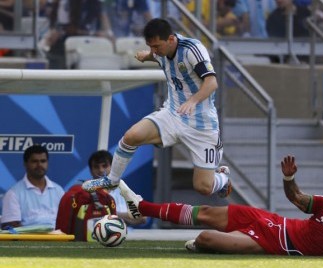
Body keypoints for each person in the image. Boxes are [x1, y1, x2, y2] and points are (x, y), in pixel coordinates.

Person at [117, 155, 323, 257]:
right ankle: (141, 207)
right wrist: (290, 179)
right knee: (208, 213)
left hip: (274, 243)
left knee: (204, 238)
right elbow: (297, 199)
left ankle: (200, 243)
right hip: (270, 221)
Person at [82, 18, 232, 200]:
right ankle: (112, 180)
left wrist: (193, 101)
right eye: (150, 46)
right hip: (173, 114)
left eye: (156, 46)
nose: (154, 51)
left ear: (170, 39)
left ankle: (222, 177)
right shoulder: (160, 51)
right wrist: (147, 56)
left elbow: (212, 82)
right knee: (131, 136)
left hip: (202, 125)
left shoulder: (192, 49)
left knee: (203, 187)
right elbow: (158, 56)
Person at [1, 145, 64, 230]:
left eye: (43, 161)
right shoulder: (13, 193)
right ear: (25, 164)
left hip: (59, 240)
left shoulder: (58, 190)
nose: (39, 165)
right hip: (28, 242)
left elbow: (66, 221)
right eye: (34, 161)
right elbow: (11, 227)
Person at [87, 150, 147, 226]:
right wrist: (124, 217)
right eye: (96, 167)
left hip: (124, 234)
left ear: (112, 167)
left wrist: (109, 213)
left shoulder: (122, 189)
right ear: (90, 170)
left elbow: (143, 217)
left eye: (104, 166)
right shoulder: (86, 192)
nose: (101, 170)